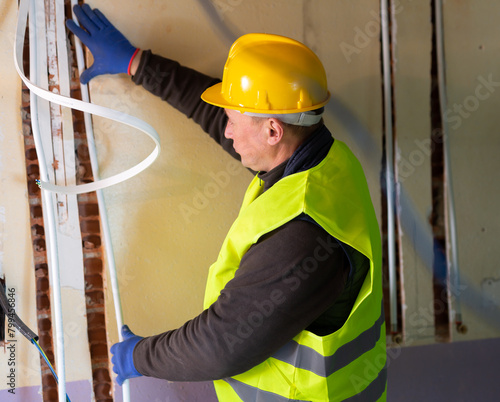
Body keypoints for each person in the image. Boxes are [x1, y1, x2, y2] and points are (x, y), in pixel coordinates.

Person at [67, 4, 387, 401]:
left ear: (272, 129)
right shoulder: (322, 161)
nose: (227, 128)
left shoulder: (302, 237)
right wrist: (138, 64)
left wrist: (140, 356)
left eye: (234, 117)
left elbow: (220, 344)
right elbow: (217, 116)